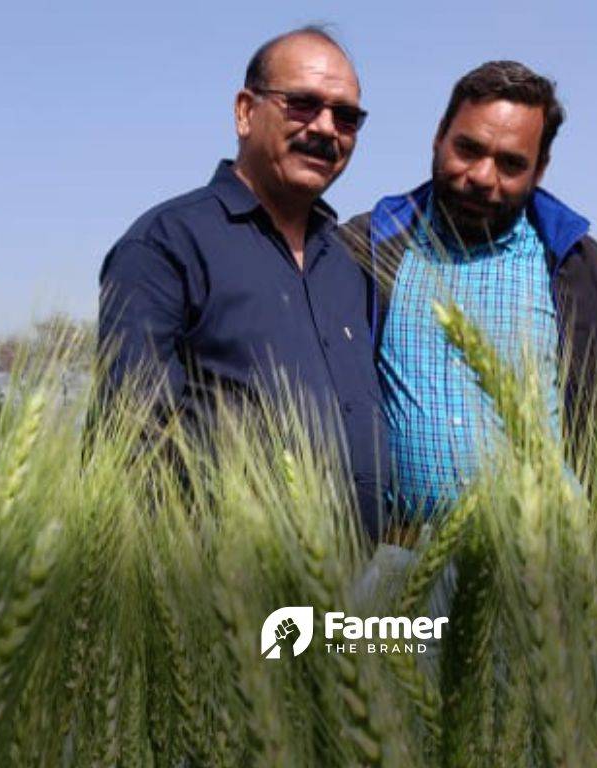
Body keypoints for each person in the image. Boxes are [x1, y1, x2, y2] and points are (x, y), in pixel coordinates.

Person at [343, 60, 597, 535]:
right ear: (438, 137)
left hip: (543, 574)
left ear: (540, 170)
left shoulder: (584, 270)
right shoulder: (364, 249)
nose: (483, 176)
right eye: (468, 149)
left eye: (510, 163)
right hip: (399, 567)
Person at [97, 26, 388, 538]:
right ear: (245, 111)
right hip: (226, 598)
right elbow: (132, 447)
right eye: (302, 104)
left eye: (346, 116)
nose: (326, 128)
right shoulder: (168, 244)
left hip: (356, 597)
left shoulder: (351, 267)